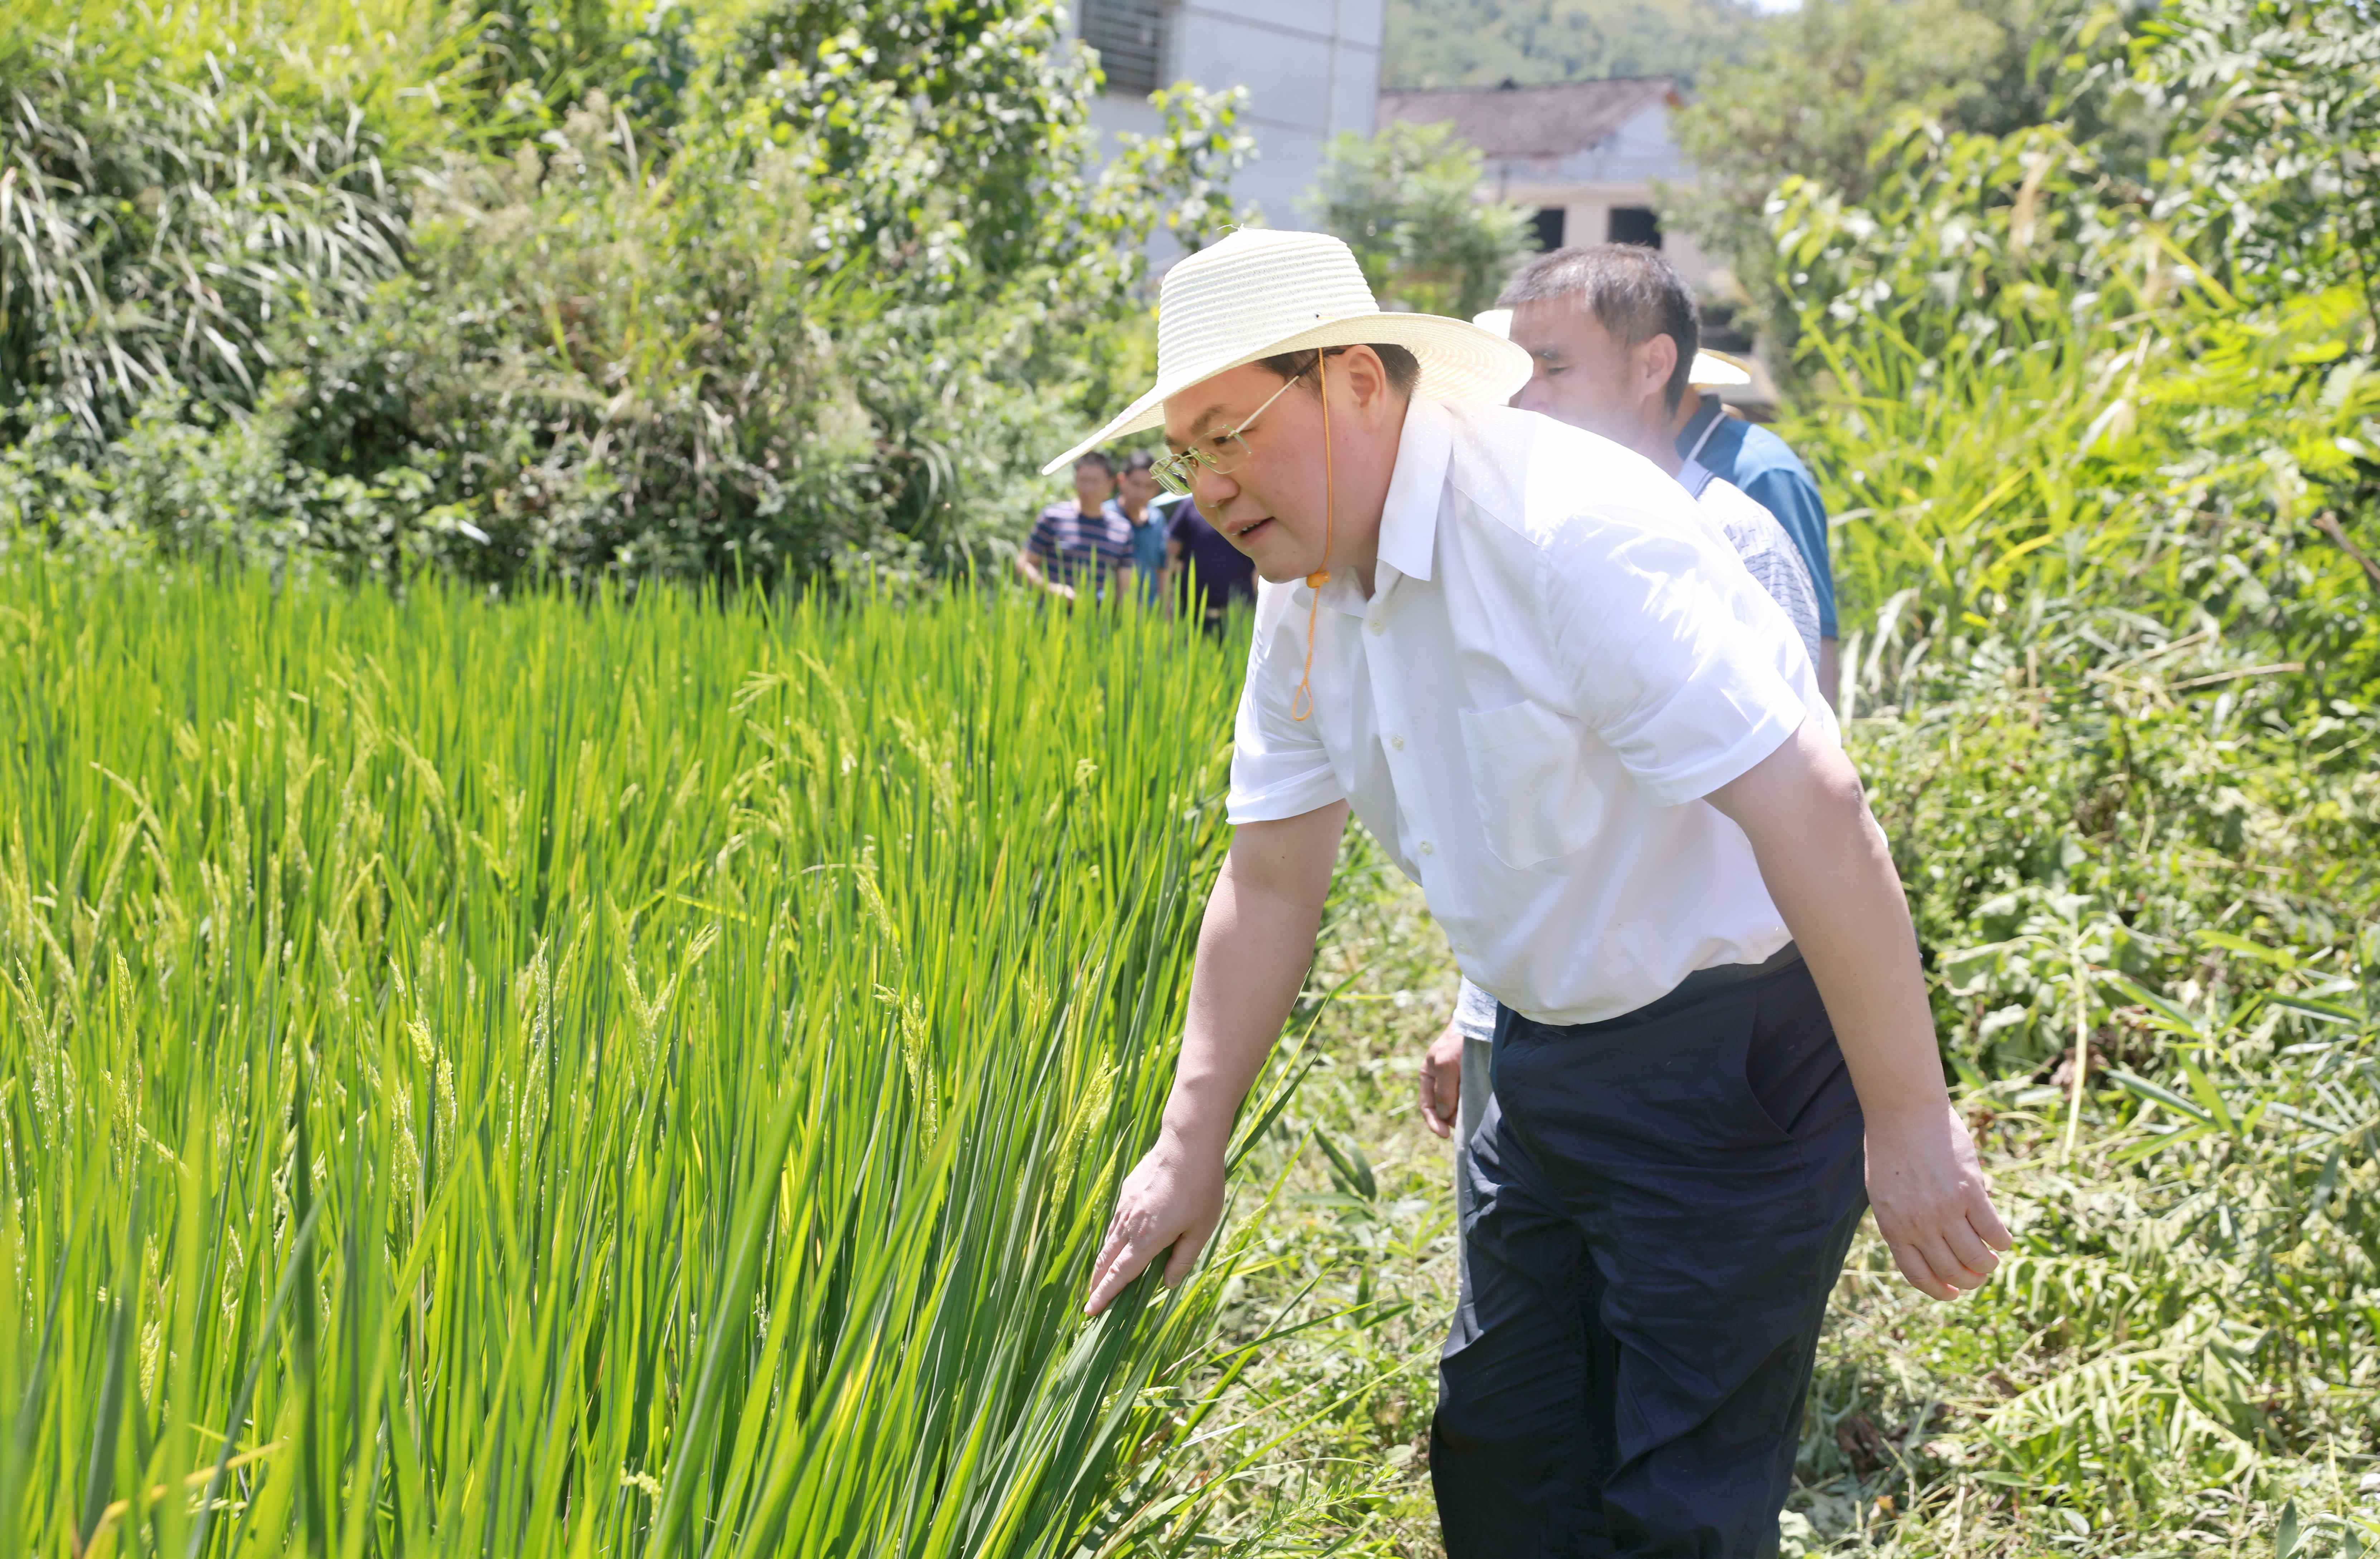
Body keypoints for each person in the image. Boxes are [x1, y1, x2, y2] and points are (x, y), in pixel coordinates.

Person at [1054, 228, 2007, 1555]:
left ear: (1357, 384)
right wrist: (1187, 1139)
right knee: (1503, 1449)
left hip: (1736, 1059)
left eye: (1231, 433)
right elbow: (1269, 875)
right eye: (1186, 453)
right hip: (1546, 1056)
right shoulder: (1311, 586)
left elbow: (1813, 802)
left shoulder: (1563, 528)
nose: (1206, 486)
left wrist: (1909, 1118)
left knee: (1672, 1495)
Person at [1425, 250, 1827, 1237]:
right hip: (1531, 1020)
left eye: (1554, 366)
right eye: (1516, 369)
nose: (1524, 395)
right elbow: (1523, 814)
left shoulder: (1732, 535)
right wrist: (1473, 1009)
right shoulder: (1502, 541)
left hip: (1701, 1030)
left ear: (1652, 369)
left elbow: (1808, 805)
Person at [1017, 452, 1133, 602]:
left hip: (1096, 622)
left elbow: (1125, 587)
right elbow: (1024, 564)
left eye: (1095, 481)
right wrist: (1051, 589)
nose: (1088, 488)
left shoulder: (1122, 529)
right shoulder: (1053, 516)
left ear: (1111, 484)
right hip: (1051, 617)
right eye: (1083, 480)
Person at [1160, 493, 1258, 628]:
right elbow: (1170, 558)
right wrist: (1167, 610)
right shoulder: (1190, 506)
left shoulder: (1250, 507)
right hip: (1191, 616)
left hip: (1239, 619)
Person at [1117, 452, 1172, 605]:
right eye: (1136, 484)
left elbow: (1163, 570)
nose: (1141, 493)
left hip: (1149, 616)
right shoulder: (1105, 516)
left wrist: (1168, 617)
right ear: (1122, 480)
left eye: (1149, 487)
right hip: (1109, 616)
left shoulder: (1157, 519)